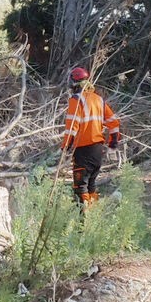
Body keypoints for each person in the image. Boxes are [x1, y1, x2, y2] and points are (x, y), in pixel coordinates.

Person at [59, 66, 120, 207]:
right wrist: (112, 145)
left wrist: (65, 147)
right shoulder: (98, 99)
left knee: (80, 187)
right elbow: (114, 122)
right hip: (97, 150)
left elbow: (72, 127)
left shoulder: (76, 100)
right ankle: (92, 216)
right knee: (91, 185)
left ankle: (83, 224)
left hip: (83, 151)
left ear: (73, 82)